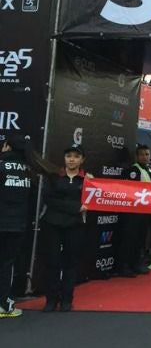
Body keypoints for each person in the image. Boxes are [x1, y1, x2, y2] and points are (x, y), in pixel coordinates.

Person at [40, 144, 91, 312]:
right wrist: (75, 207)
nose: (72, 159)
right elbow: (49, 199)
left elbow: (92, 201)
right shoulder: (54, 177)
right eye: (69, 155)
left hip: (75, 226)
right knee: (52, 262)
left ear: (82, 160)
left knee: (71, 263)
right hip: (52, 224)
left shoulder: (88, 180)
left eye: (76, 156)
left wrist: (79, 206)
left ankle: (67, 299)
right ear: (64, 158)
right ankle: (51, 300)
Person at [0, 136, 34, 318]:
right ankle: (4, 304)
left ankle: (4, 305)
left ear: (6, 146)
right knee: (6, 264)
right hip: (17, 225)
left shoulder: (1, 165)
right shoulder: (29, 169)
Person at [118, 145, 151, 277]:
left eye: (147, 154)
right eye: (142, 154)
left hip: (145, 211)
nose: (145, 157)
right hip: (133, 212)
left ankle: (136, 263)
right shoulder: (132, 170)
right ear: (137, 156)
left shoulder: (150, 171)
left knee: (140, 239)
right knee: (130, 238)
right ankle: (124, 266)